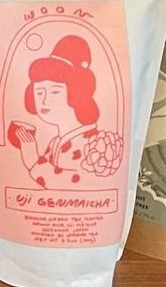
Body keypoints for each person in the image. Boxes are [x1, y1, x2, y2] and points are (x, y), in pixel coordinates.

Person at [9, 34, 123, 188]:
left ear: (76, 93)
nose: (44, 101)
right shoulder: (55, 142)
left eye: (55, 91)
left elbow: (77, 183)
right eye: (39, 92)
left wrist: (33, 161)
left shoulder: (93, 144)